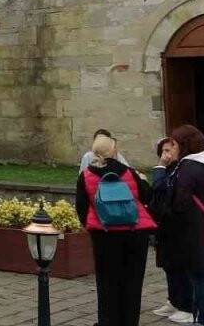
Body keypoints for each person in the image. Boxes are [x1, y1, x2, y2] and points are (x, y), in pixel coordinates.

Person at [75, 134, 158, 326]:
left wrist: (92, 227)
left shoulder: (86, 175)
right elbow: (147, 196)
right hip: (135, 232)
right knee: (133, 282)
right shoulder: (129, 171)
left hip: (104, 234)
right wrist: (143, 180)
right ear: (113, 150)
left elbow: (81, 207)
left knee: (107, 282)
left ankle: (108, 321)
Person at [169, 125, 204, 326]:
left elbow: (180, 202)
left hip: (192, 227)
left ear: (184, 145)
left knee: (199, 276)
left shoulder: (188, 167)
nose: (172, 148)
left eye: (174, 144)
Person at [149, 137, 195, 324]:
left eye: (169, 150)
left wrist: (159, 167)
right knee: (168, 265)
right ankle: (174, 300)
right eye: (163, 151)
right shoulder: (169, 170)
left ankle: (188, 305)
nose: (165, 155)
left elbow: (161, 187)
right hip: (164, 225)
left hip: (178, 225)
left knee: (180, 267)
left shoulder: (179, 170)